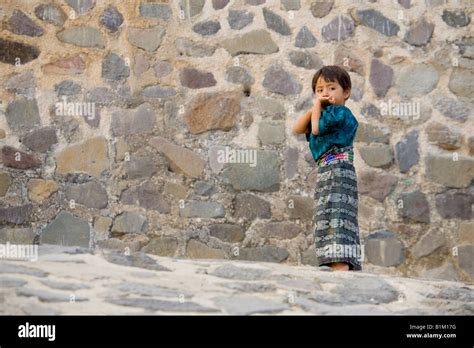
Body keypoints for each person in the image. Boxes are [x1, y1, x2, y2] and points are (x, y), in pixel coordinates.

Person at [292, 65, 362, 272]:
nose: (325, 93)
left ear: (346, 92)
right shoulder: (324, 113)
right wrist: (316, 106)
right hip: (327, 170)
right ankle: (331, 261)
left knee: (338, 214)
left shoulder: (340, 113)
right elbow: (297, 128)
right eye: (320, 89)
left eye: (331, 88)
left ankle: (341, 264)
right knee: (325, 214)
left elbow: (314, 129)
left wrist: (317, 106)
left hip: (339, 169)